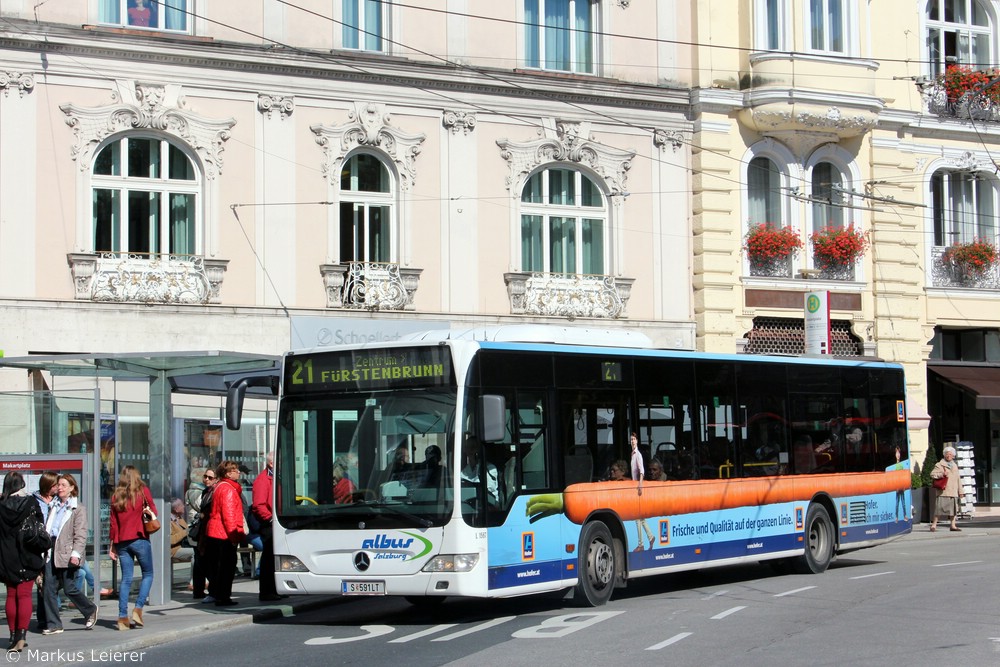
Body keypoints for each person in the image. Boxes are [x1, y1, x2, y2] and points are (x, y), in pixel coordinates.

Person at [41, 473, 99, 635]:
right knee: (48, 588)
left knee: (69, 588)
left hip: (67, 552)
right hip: (51, 550)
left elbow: (80, 534)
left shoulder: (78, 509)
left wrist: (76, 554)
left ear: (72, 488)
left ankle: (90, 609)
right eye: (58, 485)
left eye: (63, 485)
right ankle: (54, 624)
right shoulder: (54, 505)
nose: (60, 488)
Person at [0, 472, 46, 652]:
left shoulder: (1, 505)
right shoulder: (31, 503)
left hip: (6, 556)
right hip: (28, 554)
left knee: (11, 595)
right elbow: (40, 527)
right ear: (22, 484)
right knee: (24, 595)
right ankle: (21, 635)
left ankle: (12, 635)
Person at [109, 465, 156, 631]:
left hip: (122, 541)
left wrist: (112, 545)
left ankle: (122, 617)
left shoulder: (116, 496)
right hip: (140, 538)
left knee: (126, 579)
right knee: (148, 574)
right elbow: (153, 511)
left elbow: (113, 523)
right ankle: (138, 608)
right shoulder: (143, 492)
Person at [204, 460, 246, 606]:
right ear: (228, 473)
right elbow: (229, 516)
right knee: (226, 567)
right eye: (236, 470)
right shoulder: (228, 489)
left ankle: (219, 595)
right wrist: (234, 537)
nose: (238, 472)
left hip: (216, 533)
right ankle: (223, 597)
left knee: (219, 567)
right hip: (224, 535)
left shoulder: (220, 487)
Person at [252, 452, 283, 602]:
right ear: (271, 463)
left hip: (277, 521)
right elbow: (259, 505)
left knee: (275, 556)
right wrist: (270, 519)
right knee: (268, 558)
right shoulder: (263, 480)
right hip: (269, 523)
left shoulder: (276, 478)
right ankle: (266, 591)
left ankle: (275, 589)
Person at [32, 470, 59, 633]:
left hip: (54, 546)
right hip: (39, 546)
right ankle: (43, 619)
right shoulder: (34, 501)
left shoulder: (59, 501)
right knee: (42, 582)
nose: (57, 488)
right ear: (48, 485)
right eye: (55, 485)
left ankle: (50, 618)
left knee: (51, 583)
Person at [190, 469, 216, 600]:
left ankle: (211, 590)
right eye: (205, 476)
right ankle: (200, 590)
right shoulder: (202, 492)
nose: (206, 479)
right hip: (202, 531)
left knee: (205, 562)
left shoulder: (215, 492)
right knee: (200, 561)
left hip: (210, 531)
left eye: (210, 477)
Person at [630, 433, 655, 552]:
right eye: (631, 439)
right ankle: (651, 537)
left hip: (638, 488)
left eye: (634, 439)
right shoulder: (633, 454)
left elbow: (642, 471)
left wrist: (640, 485)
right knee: (641, 518)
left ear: (637, 441)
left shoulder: (637, 455)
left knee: (637, 517)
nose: (632, 441)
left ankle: (641, 544)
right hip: (635, 486)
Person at [930, 446, 961, 532]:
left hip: (953, 491)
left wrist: (961, 491)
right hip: (943, 491)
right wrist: (942, 474)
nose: (948, 456)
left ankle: (953, 525)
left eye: (950, 454)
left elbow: (958, 479)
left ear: (953, 455)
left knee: (953, 510)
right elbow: (932, 474)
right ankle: (934, 525)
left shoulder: (955, 465)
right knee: (939, 509)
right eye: (947, 454)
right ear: (944, 455)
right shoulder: (939, 464)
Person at [461, 439, 498, 506]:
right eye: (468, 448)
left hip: (489, 504)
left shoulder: (490, 468)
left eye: (473, 447)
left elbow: (489, 488)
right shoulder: (465, 470)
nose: (470, 450)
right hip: (469, 503)